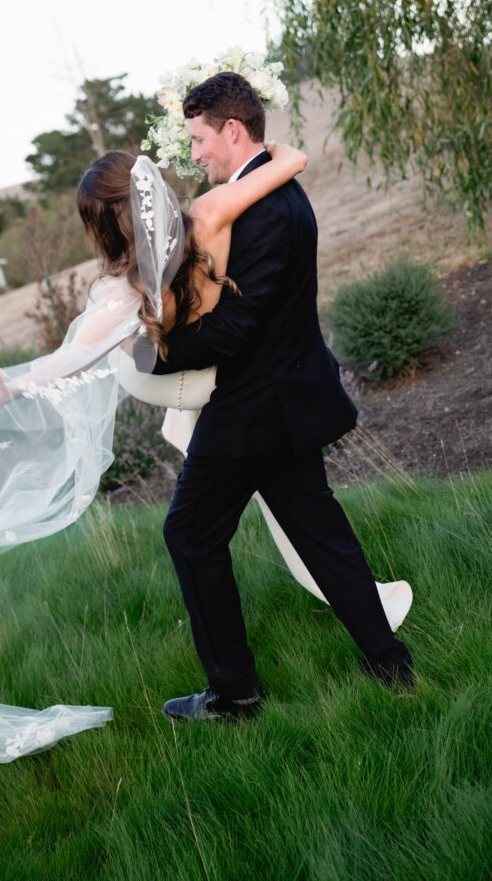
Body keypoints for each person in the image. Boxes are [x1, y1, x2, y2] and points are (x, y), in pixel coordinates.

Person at [0, 134, 311, 765]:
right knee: (291, 508)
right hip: (234, 390)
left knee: (193, 534)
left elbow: (69, 360)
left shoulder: (128, 288)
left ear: (103, 225)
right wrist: (267, 145)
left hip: (199, 394)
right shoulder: (205, 215)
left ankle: (237, 693)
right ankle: (364, 648)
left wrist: (0, 386)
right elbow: (292, 160)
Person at [144, 72, 414, 724]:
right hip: (287, 401)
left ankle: (234, 696)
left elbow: (236, 330)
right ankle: (390, 664)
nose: (195, 154)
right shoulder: (272, 189)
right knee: (320, 534)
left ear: (233, 131)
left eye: (200, 140)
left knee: (190, 535)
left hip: (253, 411)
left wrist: (158, 350)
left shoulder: (263, 209)